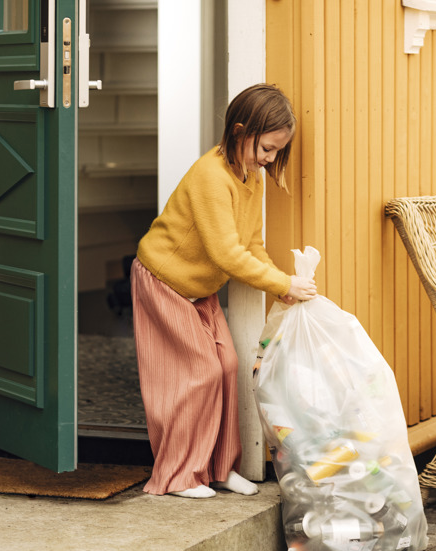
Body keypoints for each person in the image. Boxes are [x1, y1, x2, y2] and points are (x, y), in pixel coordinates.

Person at [131, 83, 318, 498]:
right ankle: (179, 475)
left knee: (229, 365)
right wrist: (284, 282)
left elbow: (250, 244)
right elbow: (226, 253)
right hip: (165, 279)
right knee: (198, 375)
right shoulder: (211, 176)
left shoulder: (253, 177)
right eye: (266, 148)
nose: (270, 159)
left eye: (276, 151)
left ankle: (216, 468)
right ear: (239, 131)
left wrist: (279, 286)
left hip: (199, 287)